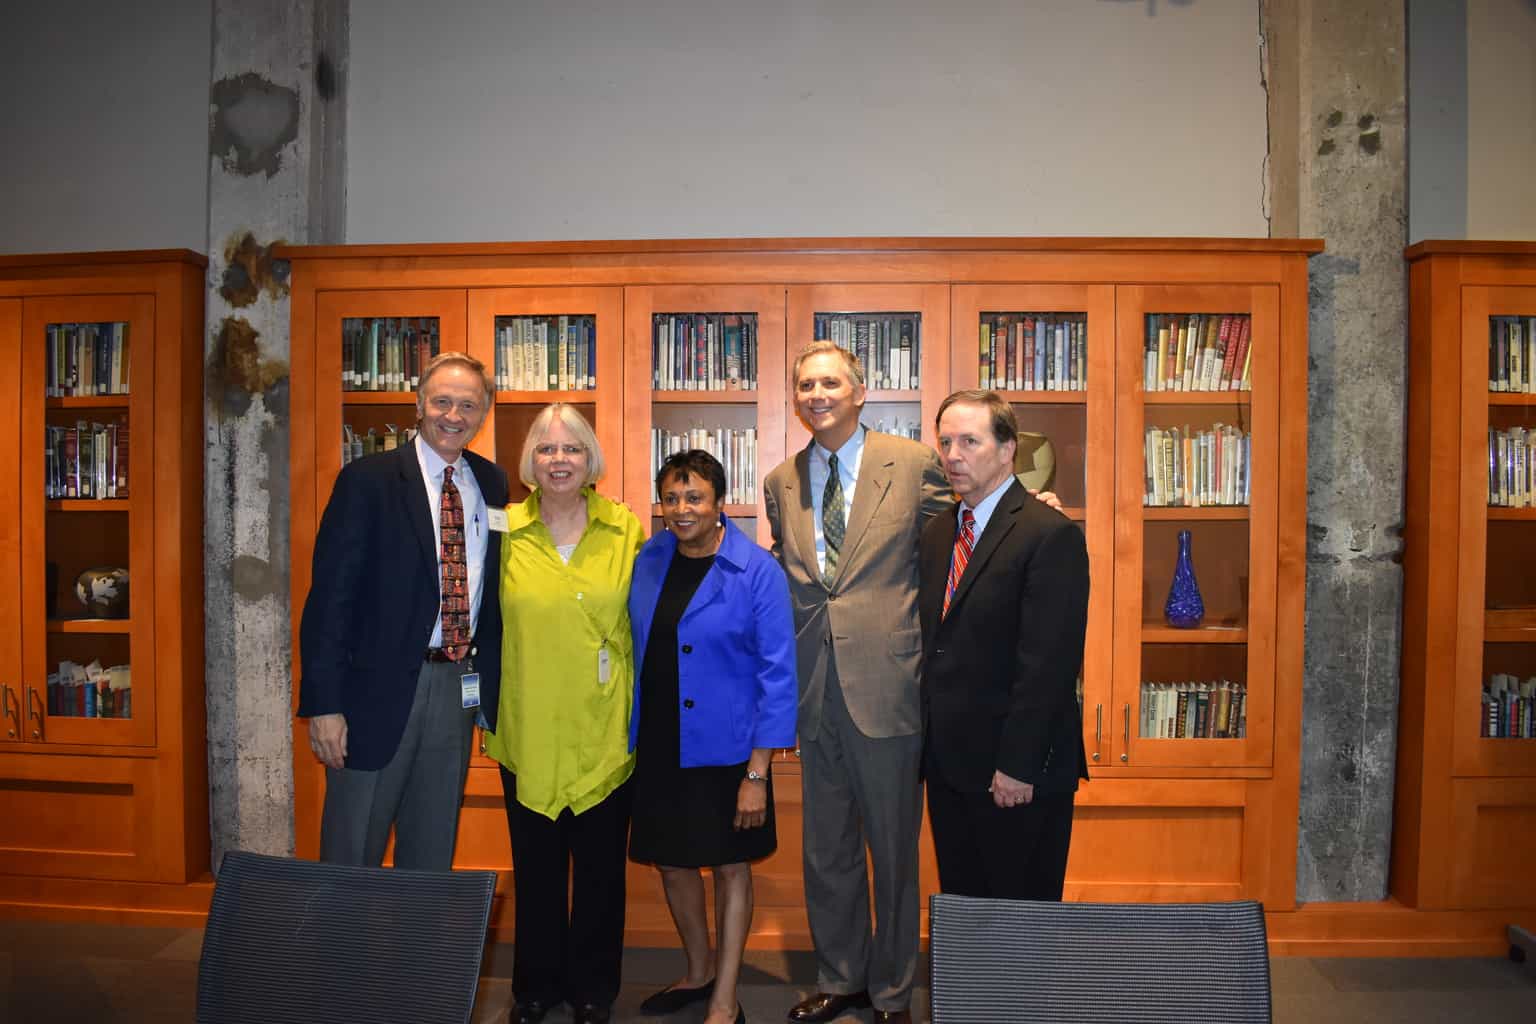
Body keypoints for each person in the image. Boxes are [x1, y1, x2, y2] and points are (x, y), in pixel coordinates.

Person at [761, 341, 949, 1024]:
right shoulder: (782, 480)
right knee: (827, 851)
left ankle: (894, 991)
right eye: (805, 383)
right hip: (816, 689)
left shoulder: (914, 464)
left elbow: (952, 556)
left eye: (830, 382)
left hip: (890, 683)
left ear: (861, 391)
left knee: (894, 852)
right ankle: (843, 979)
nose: (817, 394)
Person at [297, 351, 509, 870]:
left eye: (468, 405)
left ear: (483, 414)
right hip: (374, 695)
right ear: (418, 404)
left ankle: (416, 952)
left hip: (456, 687)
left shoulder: (493, 484)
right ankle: (343, 954)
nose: (454, 416)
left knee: (432, 850)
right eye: (442, 401)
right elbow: (329, 601)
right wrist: (324, 706)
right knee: (353, 849)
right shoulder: (367, 482)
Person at [481, 403, 643, 1024]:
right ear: (529, 462)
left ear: (590, 458)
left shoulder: (624, 526)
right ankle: (534, 990)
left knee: (602, 876)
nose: (558, 461)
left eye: (571, 448)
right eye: (546, 450)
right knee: (538, 872)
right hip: (528, 725)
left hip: (606, 727)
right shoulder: (501, 530)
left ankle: (594, 992)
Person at [627, 449, 798, 1024]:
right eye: (671, 497)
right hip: (659, 745)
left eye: (694, 496)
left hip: (729, 755)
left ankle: (725, 995)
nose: (681, 509)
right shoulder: (649, 558)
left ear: (719, 501)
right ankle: (697, 972)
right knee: (672, 864)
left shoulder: (756, 571)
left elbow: (779, 677)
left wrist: (757, 775)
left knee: (730, 868)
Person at [918, 390, 1090, 903]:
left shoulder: (1048, 533)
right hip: (950, 768)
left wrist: (1018, 765)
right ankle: (969, 990)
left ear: (1008, 448)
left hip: (1017, 773)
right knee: (966, 918)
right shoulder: (938, 533)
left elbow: (1049, 664)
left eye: (970, 441)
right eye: (945, 441)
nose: (953, 455)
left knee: (1020, 929)